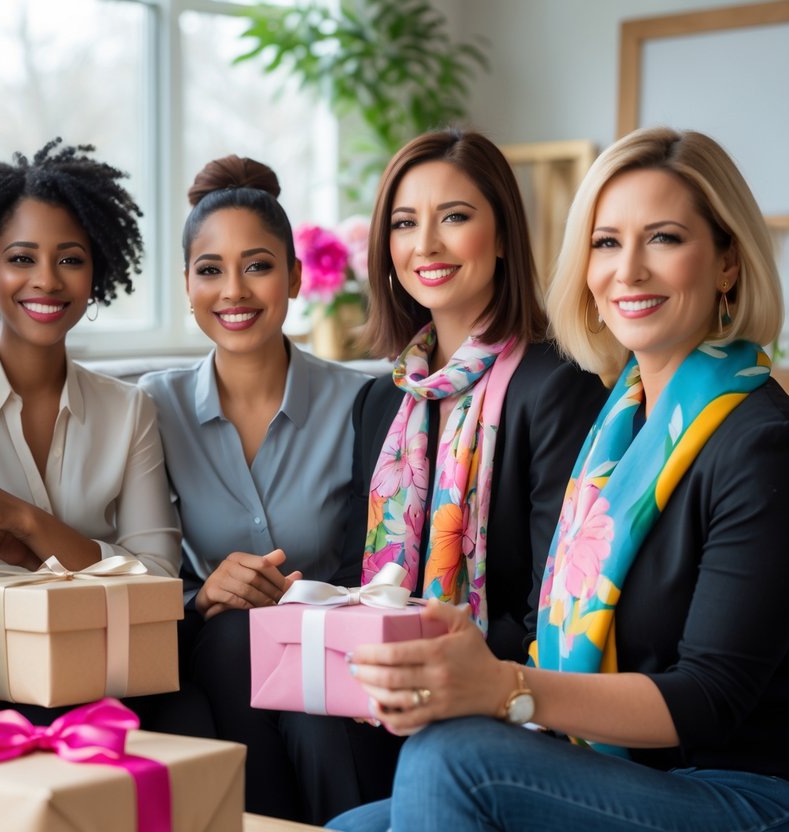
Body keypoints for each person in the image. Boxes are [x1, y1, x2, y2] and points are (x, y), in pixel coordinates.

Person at [329, 127, 789, 832]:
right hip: (615, 768)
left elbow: (711, 698)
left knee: (452, 758)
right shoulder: (620, 427)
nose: (627, 270)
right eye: (606, 243)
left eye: (662, 238)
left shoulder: (760, 442)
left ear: (727, 262)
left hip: (740, 790)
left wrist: (504, 686)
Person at [138, 156, 372, 823]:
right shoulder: (153, 407)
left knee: (314, 710)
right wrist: (201, 592)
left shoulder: (362, 403)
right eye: (209, 269)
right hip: (213, 650)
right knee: (234, 633)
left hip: (335, 660)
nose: (233, 291)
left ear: (295, 278)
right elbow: (131, 553)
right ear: (186, 283)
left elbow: (381, 563)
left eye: (258, 265)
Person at [340, 128, 606, 665]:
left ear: (504, 235)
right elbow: (356, 578)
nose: (426, 244)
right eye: (404, 223)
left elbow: (551, 608)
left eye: (454, 217)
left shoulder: (556, 386)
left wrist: (433, 662)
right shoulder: (379, 401)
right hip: (381, 667)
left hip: (496, 681)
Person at [0, 139, 179, 586]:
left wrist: (27, 524)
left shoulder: (130, 409)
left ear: (96, 275)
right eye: (21, 259)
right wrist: (78, 560)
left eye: (70, 259)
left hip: (109, 649)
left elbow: (160, 576)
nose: (47, 279)